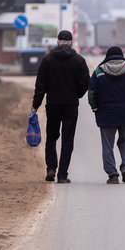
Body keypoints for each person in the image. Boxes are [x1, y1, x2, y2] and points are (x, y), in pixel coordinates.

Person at [31, 30, 89, 183]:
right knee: (67, 140)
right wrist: (77, 94)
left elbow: (40, 85)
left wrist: (35, 105)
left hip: (53, 104)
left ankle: (51, 169)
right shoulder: (79, 60)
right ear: (71, 42)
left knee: (51, 137)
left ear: (57, 42)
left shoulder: (48, 60)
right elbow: (85, 82)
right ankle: (62, 175)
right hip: (71, 105)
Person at [88, 46, 125, 184]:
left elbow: (91, 93)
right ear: (122, 56)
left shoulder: (98, 72)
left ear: (107, 56)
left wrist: (95, 108)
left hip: (106, 114)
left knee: (108, 145)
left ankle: (112, 175)